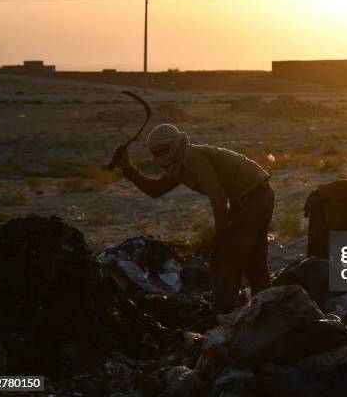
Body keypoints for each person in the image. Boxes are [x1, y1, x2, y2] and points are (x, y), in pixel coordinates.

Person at [111, 124, 274, 312]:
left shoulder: (192, 156)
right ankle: (267, 309)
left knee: (226, 256)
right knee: (254, 261)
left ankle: (224, 313)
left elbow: (218, 197)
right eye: (155, 153)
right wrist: (127, 167)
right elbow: (155, 190)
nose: (158, 157)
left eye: (162, 151)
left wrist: (219, 235)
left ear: (174, 145)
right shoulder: (179, 166)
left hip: (253, 196)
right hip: (257, 195)